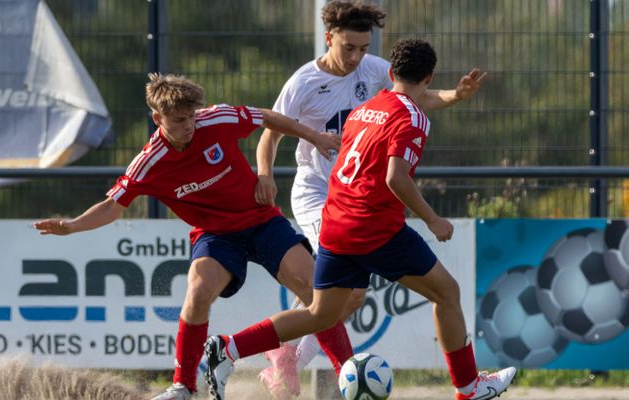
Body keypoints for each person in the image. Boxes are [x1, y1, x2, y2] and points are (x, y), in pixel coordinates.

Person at [203, 39, 516, 400]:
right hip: (374, 228)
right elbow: (395, 178)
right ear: (429, 76)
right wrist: (432, 220)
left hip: (336, 223)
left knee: (321, 314)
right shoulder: (413, 118)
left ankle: (227, 349)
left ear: (391, 73)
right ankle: (468, 387)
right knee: (447, 293)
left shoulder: (366, 109)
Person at [32, 73, 353, 400]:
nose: (190, 125)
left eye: (192, 117)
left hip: (260, 219)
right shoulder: (150, 162)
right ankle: (183, 387)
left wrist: (313, 137)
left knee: (319, 294)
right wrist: (73, 225)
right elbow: (112, 206)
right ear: (158, 119)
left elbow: (266, 117)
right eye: (180, 120)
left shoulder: (215, 119)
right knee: (198, 291)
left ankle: (348, 376)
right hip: (216, 236)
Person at [254, 1, 487, 398]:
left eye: (364, 48)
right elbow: (270, 133)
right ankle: (298, 360)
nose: (357, 57)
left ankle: (284, 353)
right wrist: (263, 174)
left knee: (342, 300)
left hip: (357, 198)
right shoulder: (303, 82)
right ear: (329, 39)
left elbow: (414, 97)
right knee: (345, 294)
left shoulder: (373, 69)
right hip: (317, 195)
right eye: (349, 48)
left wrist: (454, 96)